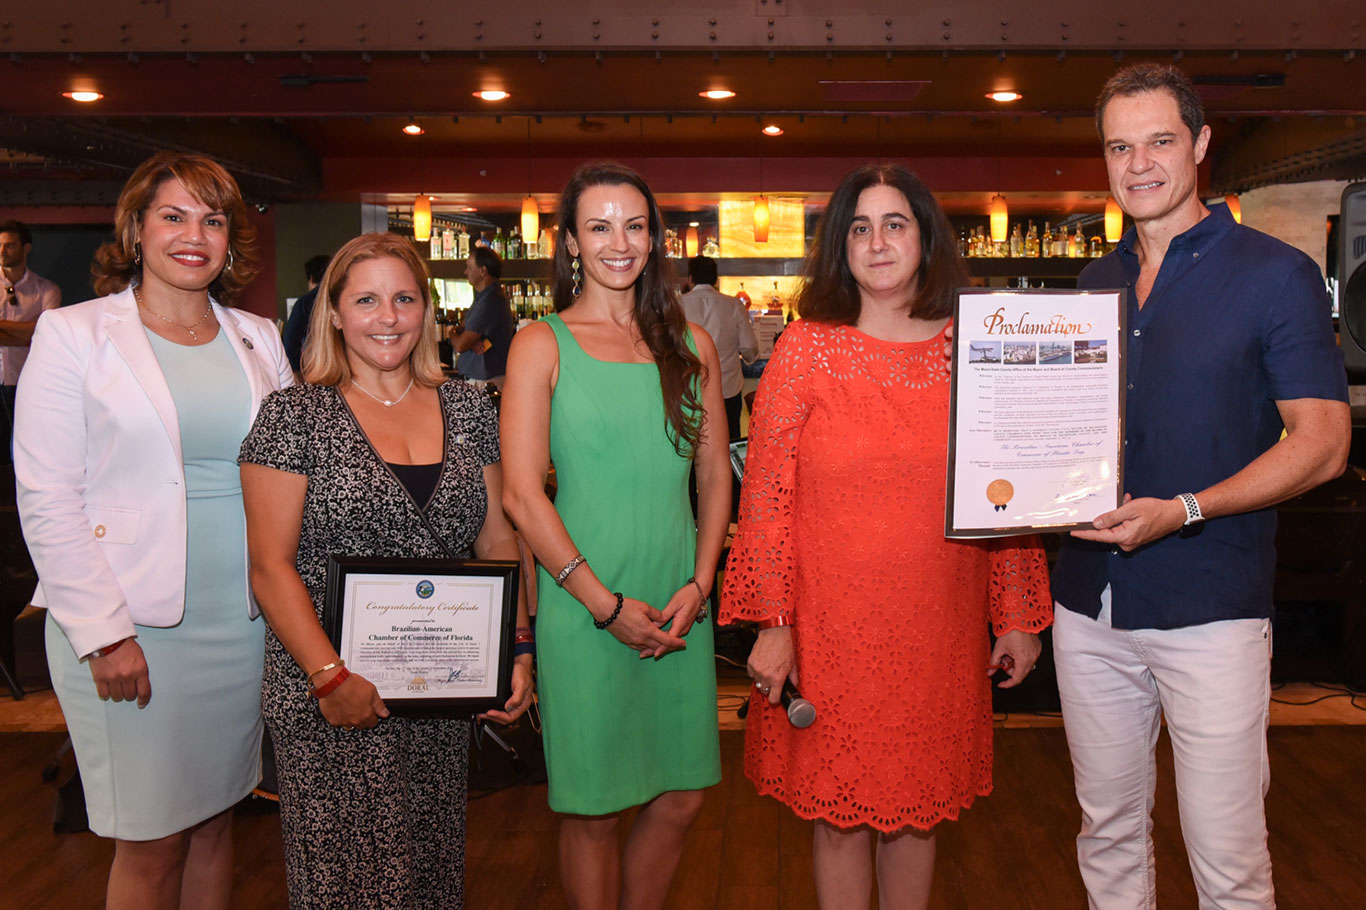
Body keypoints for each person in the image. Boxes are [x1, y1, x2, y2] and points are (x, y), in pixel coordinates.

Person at [1053, 63, 1351, 910]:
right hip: (1089, 603)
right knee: (1106, 833)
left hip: (1211, 605)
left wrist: (1186, 509)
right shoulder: (1091, 287)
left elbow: (1326, 443)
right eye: (1119, 146)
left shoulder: (1274, 274)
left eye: (1159, 141)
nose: (1138, 163)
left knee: (1226, 859)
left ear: (1201, 145)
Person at [720, 163, 1052, 910]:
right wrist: (774, 626)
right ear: (841, 247)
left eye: (894, 224)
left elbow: (1008, 489)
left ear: (925, 237)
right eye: (859, 228)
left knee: (919, 817)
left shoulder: (973, 347)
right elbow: (767, 501)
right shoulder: (806, 350)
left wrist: (1020, 614)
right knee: (838, 821)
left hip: (937, 624)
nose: (877, 242)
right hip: (831, 628)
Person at [14, 151, 292, 910]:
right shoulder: (73, 334)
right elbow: (46, 494)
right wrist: (103, 634)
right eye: (172, 216)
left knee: (213, 825)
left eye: (212, 219)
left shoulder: (258, 336)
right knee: (152, 839)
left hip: (238, 625)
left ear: (231, 239)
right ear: (136, 229)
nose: (192, 234)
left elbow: (288, 472)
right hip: (130, 622)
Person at [239, 231, 534, 909]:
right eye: (366, 299)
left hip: (437, 683)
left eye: (404, 298)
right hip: (329, 689)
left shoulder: (466, 410)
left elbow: (496, 536)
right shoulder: (293, 417)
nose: (388, 316)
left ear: (427, 311)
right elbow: (269, 567)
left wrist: (516, 651)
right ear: (335, 313)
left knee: (427, 875)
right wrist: (330, 677)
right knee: (354, 884)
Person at [501, 162, 729, 909]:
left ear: (654, 237)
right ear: (570, 241)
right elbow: (522, 493)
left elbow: (716, 477)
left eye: (633, 225)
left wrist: (700, 583)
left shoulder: (691, 343)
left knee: (683, 794)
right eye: (599, 226)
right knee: (592, 809)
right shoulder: (541, 342)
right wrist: (603, 605)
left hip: (676, 603)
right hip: (584, 606)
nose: (618, 242)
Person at [0, 219, 61, 462]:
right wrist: (26, 332)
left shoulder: (46, 289)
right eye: (0, 245)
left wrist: (31, 332)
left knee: (25, 452)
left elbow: (44, 336)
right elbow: (31, 334)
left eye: (10, 245)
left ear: (26, 248)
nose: (2, 251)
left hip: (28, 380)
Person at [679, 255, 758, 440]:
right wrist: (750, 357)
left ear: (690, 278)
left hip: (689, 390)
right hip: (727, 389)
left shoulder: (677, 305)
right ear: (715, 278)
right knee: (728, 443)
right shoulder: (734, 305)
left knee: (691, 446)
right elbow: (749, 347)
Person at [449, 245, 515, 386]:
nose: (465, 272)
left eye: (469, 267)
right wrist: (467, 337)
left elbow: (460, 345)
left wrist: (451, 333)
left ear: (482, 271)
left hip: (485, 381)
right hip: (483, 378)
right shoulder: (484, 297)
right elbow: (463, 328)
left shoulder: (490, 301)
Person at [280, 252, 332, 373]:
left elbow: (290, 343)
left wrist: (298, 370)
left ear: (311, 278)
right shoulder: (342, 299)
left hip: (315, 370)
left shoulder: (305, 303)